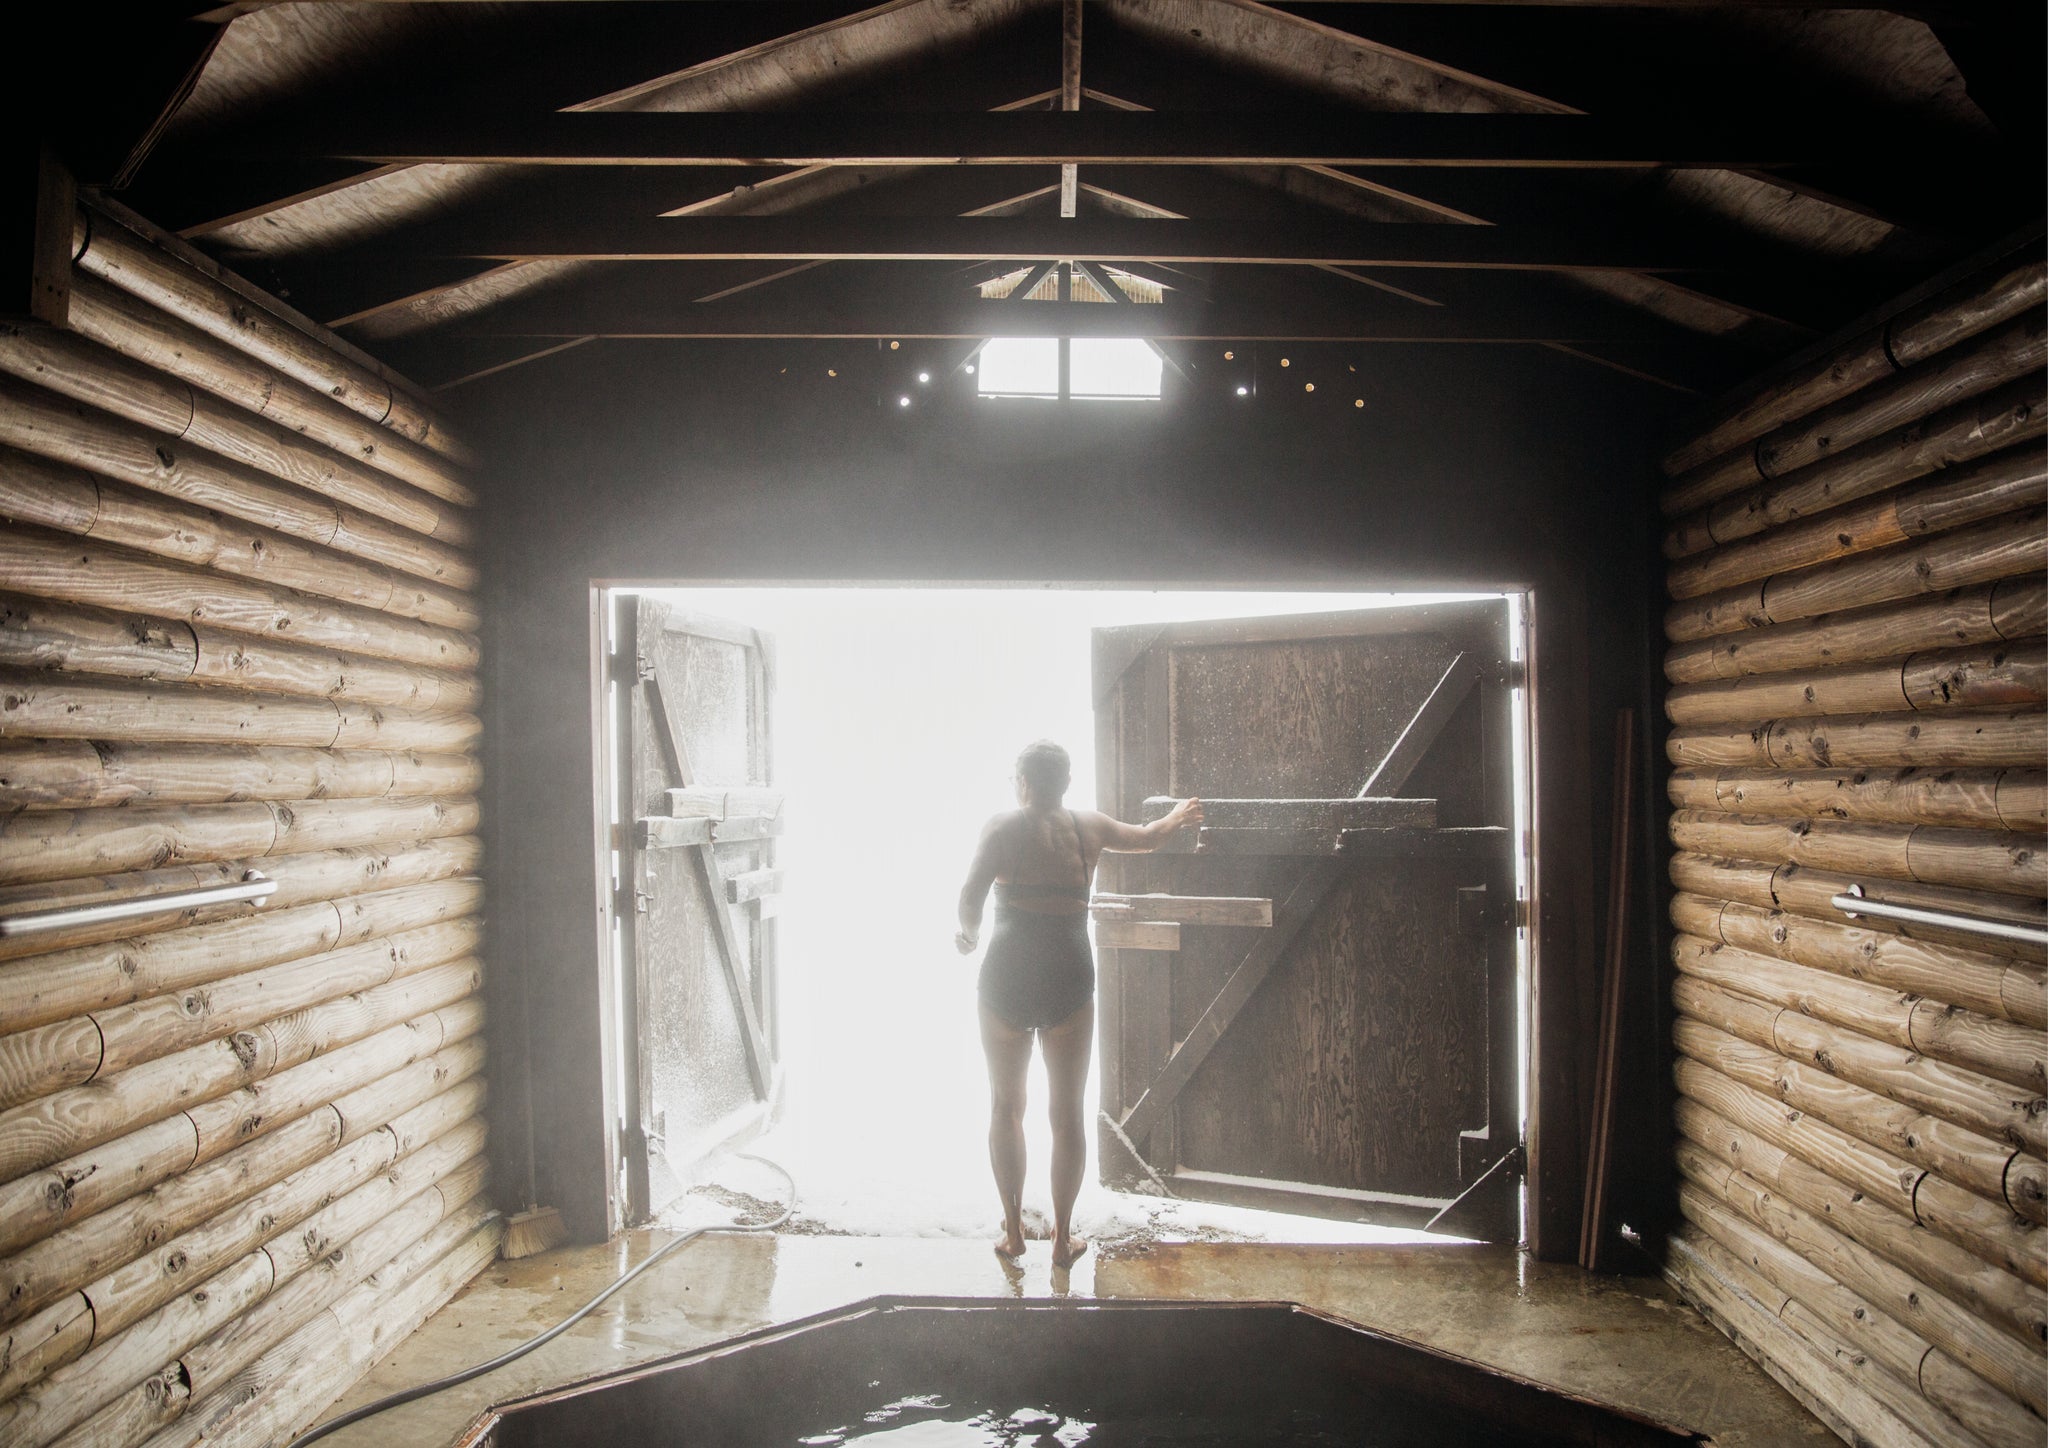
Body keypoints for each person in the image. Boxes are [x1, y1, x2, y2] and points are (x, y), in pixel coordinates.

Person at [954, 740, 1203, 1267]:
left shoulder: (1002, 828)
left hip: (1007, 976)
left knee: (1006, 1106)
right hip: (1068, 974)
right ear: (1065, 783)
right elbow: (1147, 838)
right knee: (1067, 1115)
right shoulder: (1086, 826)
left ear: (1022, 781)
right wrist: (1178, 816)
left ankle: (1015, 1232)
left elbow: (970, 897)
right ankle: (1064, 1239)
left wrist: (968, 936)